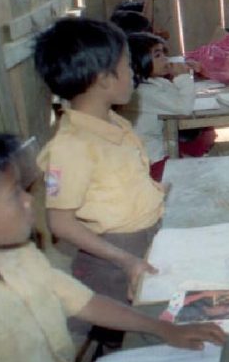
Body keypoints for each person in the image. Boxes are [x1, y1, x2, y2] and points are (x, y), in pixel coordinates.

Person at [0, 134, 225, 362]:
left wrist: (161, 328)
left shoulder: (18, 257)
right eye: (13, 194)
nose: (28, 199)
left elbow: (84, 301)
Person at [33, 18, 163, 304]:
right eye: (127, 65)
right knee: (139, 327)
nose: (133, 73)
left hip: (146, 240)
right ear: (104, 79)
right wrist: (124, 259)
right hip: (113, 260)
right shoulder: (70, 148)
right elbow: (60, 223)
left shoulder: (115, 121)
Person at [122, 32, 214, 182]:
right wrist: (183, 77)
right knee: (200, 176)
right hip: (151, 161)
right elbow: (183, 108)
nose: (165, 59)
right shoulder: (143, 92)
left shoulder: (153, 82)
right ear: (139, 61)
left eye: (164, 53)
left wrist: (179, 74)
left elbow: (174, 97)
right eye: (157, 55)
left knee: (205, 134)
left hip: (159, 149)